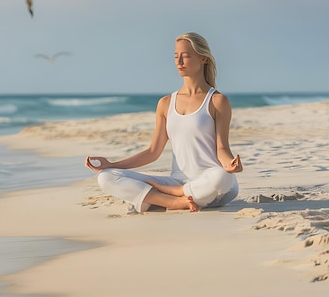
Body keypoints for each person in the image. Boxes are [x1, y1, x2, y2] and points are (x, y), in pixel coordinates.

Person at [85, 32, 242, 213]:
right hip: (177, 180)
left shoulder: (217, 101)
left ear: (203, 59)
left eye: (186, 56)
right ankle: (175, 202)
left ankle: (171, 196)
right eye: (176, 57)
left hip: (211, 183)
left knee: (222, 176)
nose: (179, 62)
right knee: (106, 177)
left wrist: (231, 164)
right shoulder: (165, 103)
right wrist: (111, 165)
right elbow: (153, 152)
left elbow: (222, 148)